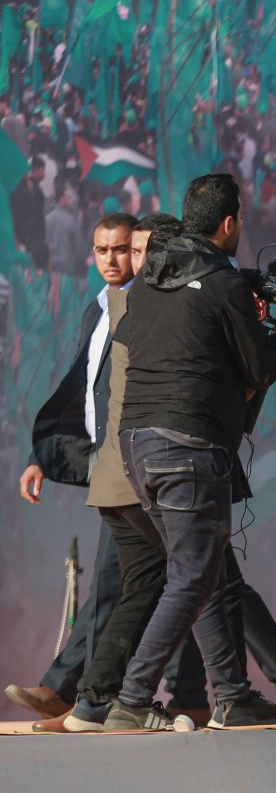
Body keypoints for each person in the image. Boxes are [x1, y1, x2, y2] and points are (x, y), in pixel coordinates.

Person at [109, 173, 276, 731]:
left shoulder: (150, 280)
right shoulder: (220, 285)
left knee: (210, 572)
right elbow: (258, 368)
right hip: (188, 446)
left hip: (139, 445)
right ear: (229, 223)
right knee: (194, 576)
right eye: (241, 220)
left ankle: (232, 695)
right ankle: (132, 698)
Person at [5, 211, 137, 720]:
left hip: (137, 464)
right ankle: (84, 697)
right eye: (102, 250)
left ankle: (74, 692)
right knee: (144, 586)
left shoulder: (144, 310)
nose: (111, 259)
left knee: (126, 583)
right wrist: (45, 454)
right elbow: (79, 392)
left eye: (121, 249)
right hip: (108, 464)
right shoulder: (96, 310)